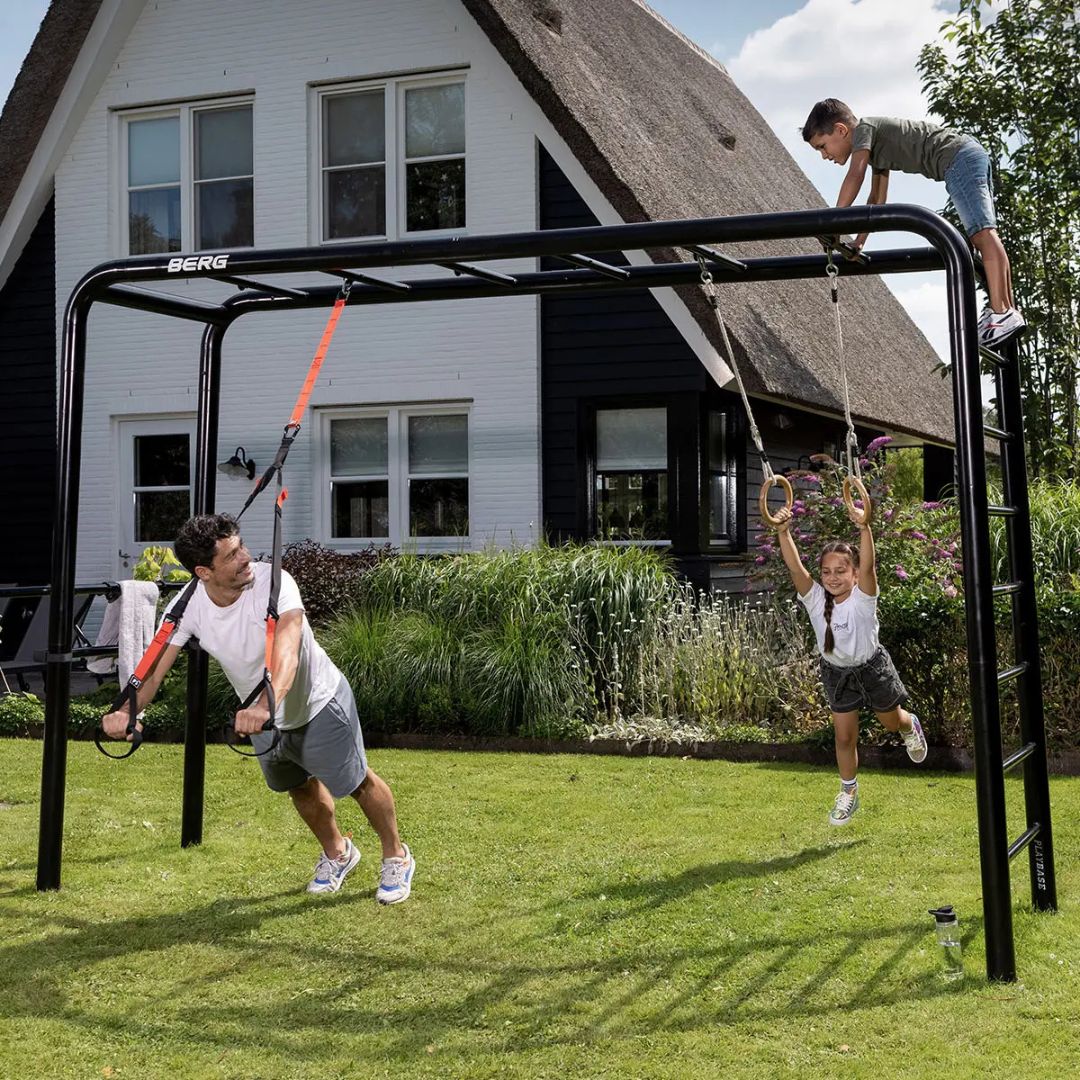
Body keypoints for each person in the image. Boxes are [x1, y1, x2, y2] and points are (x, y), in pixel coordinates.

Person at [103, 513, 415, 903]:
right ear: (204, 571)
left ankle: (396, 856)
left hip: (316, 701)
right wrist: (128, 711)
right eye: (232, 554)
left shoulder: (275, 582)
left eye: (242, 545)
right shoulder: (186, 607)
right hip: (263, 715)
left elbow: (287, 651)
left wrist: (265, 704)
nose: (246, 557)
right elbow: (151, 672)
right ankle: (339, 853)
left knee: (356, 783)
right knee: (298, 787)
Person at [802, 98, 1023, 348]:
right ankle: (1006, 311)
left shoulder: (865, 130)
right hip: (966, 155)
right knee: (985, 234)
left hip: (957, 158)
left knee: (982, 234)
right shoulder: (876, 147)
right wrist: (859, 242)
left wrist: (833, 224)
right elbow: (876, 199)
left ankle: (1001, 311)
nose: (823, 156)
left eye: (822, 146)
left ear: (841, 130)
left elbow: (856, 175)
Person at [769, 501, 928, 826]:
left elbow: (870, 567)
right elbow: (796, 568)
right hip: (836, 673)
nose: (832, 577)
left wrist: (864, 527)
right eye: (827, 571)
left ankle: (909, 724)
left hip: (872, 668)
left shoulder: (863, 597)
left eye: (841, 571)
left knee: (890, 723)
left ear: (854, 575)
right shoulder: (815, 599)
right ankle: (848, 792)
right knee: (844, 737)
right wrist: (783, 531)